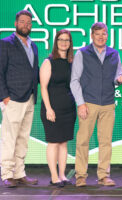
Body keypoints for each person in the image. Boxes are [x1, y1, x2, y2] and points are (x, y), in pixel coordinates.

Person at [70, 22, 122, 187]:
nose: (101, 37)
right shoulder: (82, 53)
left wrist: (120, 80)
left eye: (104, 34)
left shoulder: (114, 53)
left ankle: (104, 175)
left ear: (107, 35)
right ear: (92, 36)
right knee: (83, 141)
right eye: (97, 34)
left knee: (105, 141)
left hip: (108, 104)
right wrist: (80, 104)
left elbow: (116, 78)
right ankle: (81, 175)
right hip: (88, 103)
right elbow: (74, 81)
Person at [0, 10, 39, 188]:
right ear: (15, 23)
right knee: (9, 137)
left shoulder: (33, 45)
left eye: (29, 23)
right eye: (22, 22)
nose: (26, 25)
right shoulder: (5, 43)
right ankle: (7, 173)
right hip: (12, 98)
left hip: (29, 97)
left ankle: (19, 173)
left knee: (23, 138)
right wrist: (4, 96)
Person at [40, 30, 76, 188]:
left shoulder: (71, 61)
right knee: (54, 142)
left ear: (70, 43)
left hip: (68, 108)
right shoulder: (48, 61)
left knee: (63, 143)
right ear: (56, 42)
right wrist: (49, 108)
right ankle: (54, 176)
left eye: (67, 40)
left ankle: (62, 175)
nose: (64, 42)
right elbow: (43, 88)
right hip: (52, 108)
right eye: (61, 40)